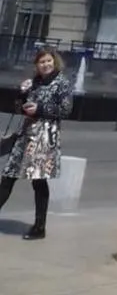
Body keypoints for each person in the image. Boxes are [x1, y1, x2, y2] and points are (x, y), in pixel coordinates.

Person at [0, 48, 74, 240]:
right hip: (26, 133)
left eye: (48, 61)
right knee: (8, 176)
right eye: (41, 62)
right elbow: (19, 108)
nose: (46, 65)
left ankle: (39, 227)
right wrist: (22, 94)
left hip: (45, 136)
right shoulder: (34, 82)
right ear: (36, 65)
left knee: (39, 180)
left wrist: (39, 108)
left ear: (54, 61)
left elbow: (66, 110)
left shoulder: (62, 83)